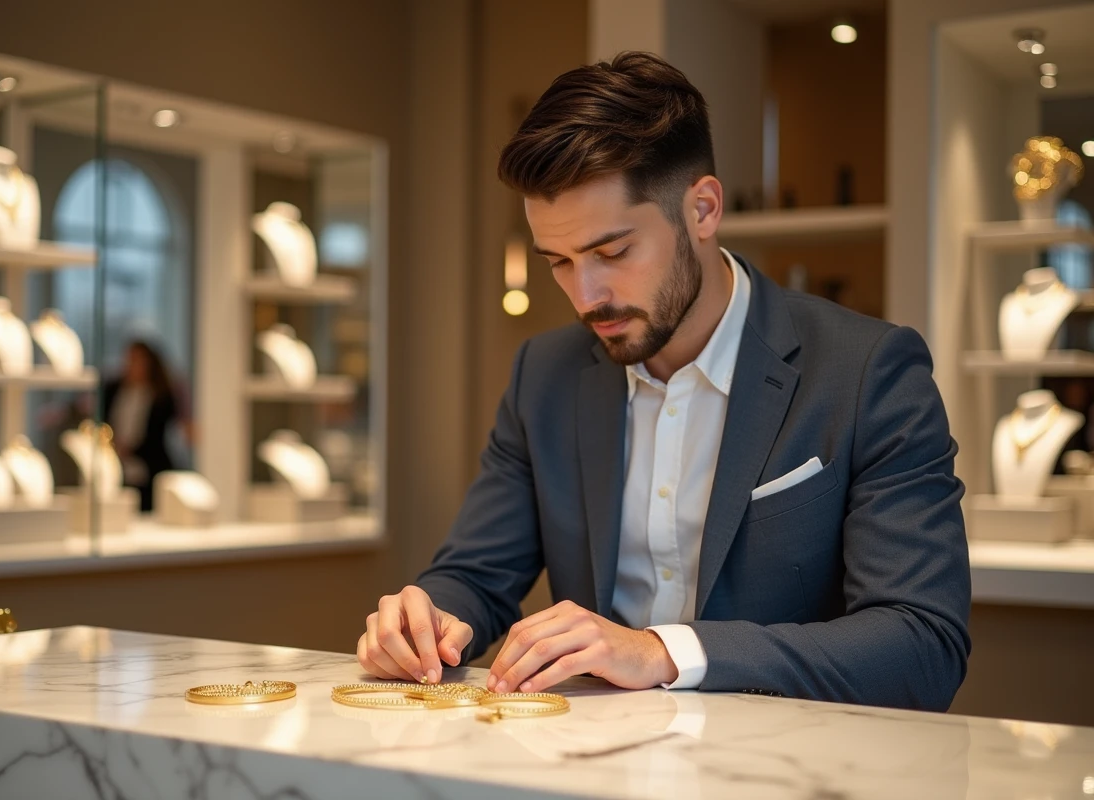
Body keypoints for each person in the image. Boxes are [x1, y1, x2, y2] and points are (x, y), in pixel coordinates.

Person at [358, 52, 971, 711]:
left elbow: (922, 645)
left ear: (703, 210)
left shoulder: (866, 370)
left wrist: (662, 651)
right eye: (558, 262)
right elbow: (474, 575)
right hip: (590, 762)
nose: (586, 295)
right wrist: (429, 618)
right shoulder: (546, 374)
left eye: (613, 252)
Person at [103, 340, 181, 512]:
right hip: (115, 465)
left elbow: (157, 436)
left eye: (137, 360)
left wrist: (130, 449)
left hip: (148, 469)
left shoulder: (161, 397)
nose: (131, 365)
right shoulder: (112, 389)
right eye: (129, 359)